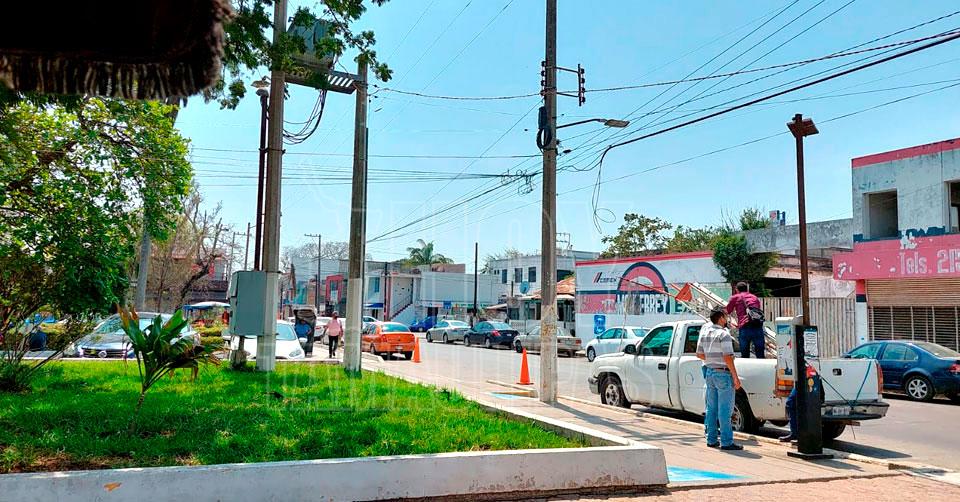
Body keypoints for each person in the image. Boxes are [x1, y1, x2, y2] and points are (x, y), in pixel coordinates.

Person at [696, 308, 744, 451]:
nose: (727, 319)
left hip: (710, 372)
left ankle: (711, 439)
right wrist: (735, 376)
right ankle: (726, 442)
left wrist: (711, 359)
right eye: (726, 316)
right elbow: (728, 357)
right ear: (721, 318)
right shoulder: (724, 334)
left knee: (711, 408)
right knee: (725, 410)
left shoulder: (705, 333)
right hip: (723, 373)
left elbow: (699, 354)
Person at [726, 281, 765, 359]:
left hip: (745, 326)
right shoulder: (754, 297)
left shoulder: (735, 297)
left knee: (745, 354)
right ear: (747, 289)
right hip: (757, 325)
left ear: (737, 289)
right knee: (760, 353)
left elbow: (728, 310)